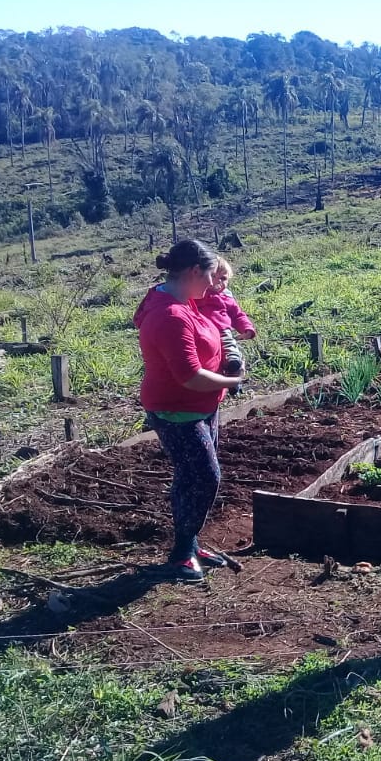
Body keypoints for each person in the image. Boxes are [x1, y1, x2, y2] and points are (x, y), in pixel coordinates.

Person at [134, 240, 244, 581]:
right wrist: (231, 381)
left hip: (201, 406)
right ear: (194, 271)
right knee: (205, 477)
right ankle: (181, 553)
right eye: (210, 276)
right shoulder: (170, 315)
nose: (214, 285)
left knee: (190, 475)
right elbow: (190, 377)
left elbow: (216, 333)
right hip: (176, 410)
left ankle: (190, 544)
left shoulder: (184, 300)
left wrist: (230, 356)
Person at [195, 257, 256, 393]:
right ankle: (220, 379)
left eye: (224, 279)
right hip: (203, 332)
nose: (219, 282)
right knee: (209, 359)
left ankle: (233, 372)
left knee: (230, 349)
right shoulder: (199, 294)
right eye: (214, 277)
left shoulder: (226, 296)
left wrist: (247, 329)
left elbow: (237, 314)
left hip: (222, 331)